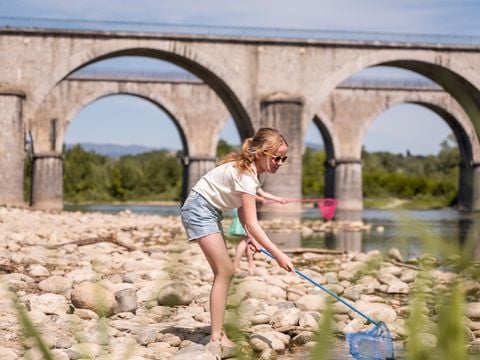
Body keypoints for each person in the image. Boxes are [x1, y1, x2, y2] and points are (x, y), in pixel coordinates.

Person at [180, 127, 294, 351]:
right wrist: (278, 254)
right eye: (276, 157)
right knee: (225, 271)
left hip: (207, 211)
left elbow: (243, 212)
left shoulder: (251, 173)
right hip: (199, 210)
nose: (280, 162)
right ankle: (217, 338)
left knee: (225, 271)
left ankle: (217, 334)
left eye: (284, 158)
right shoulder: (247, 176)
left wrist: (251, 238)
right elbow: (252, 221)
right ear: (260, 154)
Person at [231, 190, 287, 276]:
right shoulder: (249, 178)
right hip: (243, 211)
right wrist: (261, 199)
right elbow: (248, 194)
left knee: (248, 240)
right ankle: (235, 266)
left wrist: (279, 199)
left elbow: (263, 193)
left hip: (244, 209)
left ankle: (250, 264)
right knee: (245, 240)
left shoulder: (255, 180)